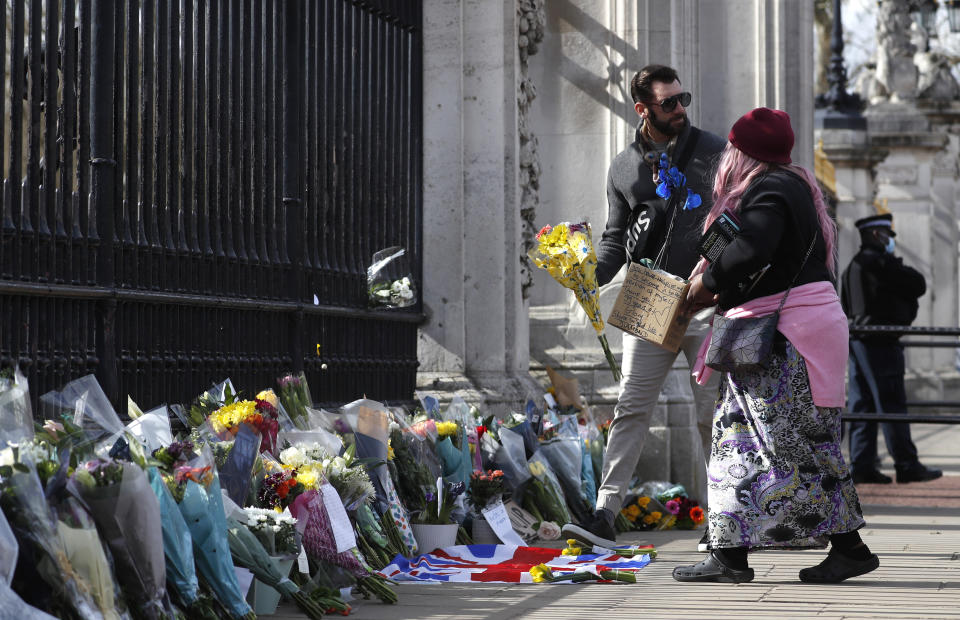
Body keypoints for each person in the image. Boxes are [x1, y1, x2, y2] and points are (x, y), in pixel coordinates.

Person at [672, 108, 878, 584]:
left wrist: (707, 283)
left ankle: (736, 558)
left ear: (743, 151)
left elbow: (755, 247)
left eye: (733, 147)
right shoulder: (795, 185)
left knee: (755, 443)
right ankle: (753, 554)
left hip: (782, 337)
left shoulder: (768, 188)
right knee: (777, 442)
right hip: (799, 332)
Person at [560, 64, 725, 549]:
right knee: (632, 405)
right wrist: (585, 274)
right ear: (642, 109)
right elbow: (615, 240)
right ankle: (605, 514)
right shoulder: (623, 166)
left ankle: (725, 519)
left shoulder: (715, 151)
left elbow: (732, 220)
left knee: (708, 413)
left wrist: (710, 276)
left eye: (683, 98)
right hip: (649, 289)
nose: (680, 109)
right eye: (669, 102)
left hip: (704, 294)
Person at [841, 214, 942, 485]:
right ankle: (906, 463)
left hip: (856, 342)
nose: (890, 242)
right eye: (888, 236)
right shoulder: (880, 264)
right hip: (881, 343)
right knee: (891, 402)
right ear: (877, 235)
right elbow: (917, 284)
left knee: (862, 405)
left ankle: (862, 465)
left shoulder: (851, 267)